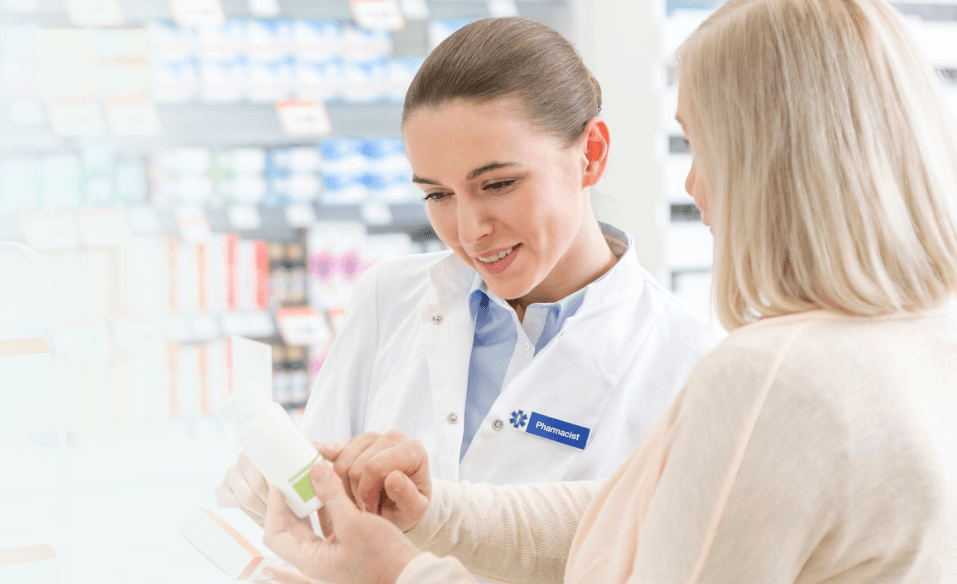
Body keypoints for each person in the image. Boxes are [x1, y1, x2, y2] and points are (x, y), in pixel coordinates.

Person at [255, 0, 957, 581]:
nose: (695, 182)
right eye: (436, 194)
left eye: (704, 146)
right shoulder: (944, 345)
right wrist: (441, 512)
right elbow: (640, 516)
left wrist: (400, 572)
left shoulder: (768, 376)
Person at [219, 17, 721, 524]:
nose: (468, 230)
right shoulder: (387, 297)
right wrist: (279, 492)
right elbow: (322, 518)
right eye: (437, 195)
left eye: (498, 184)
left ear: (590, 155)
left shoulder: (690, 362)